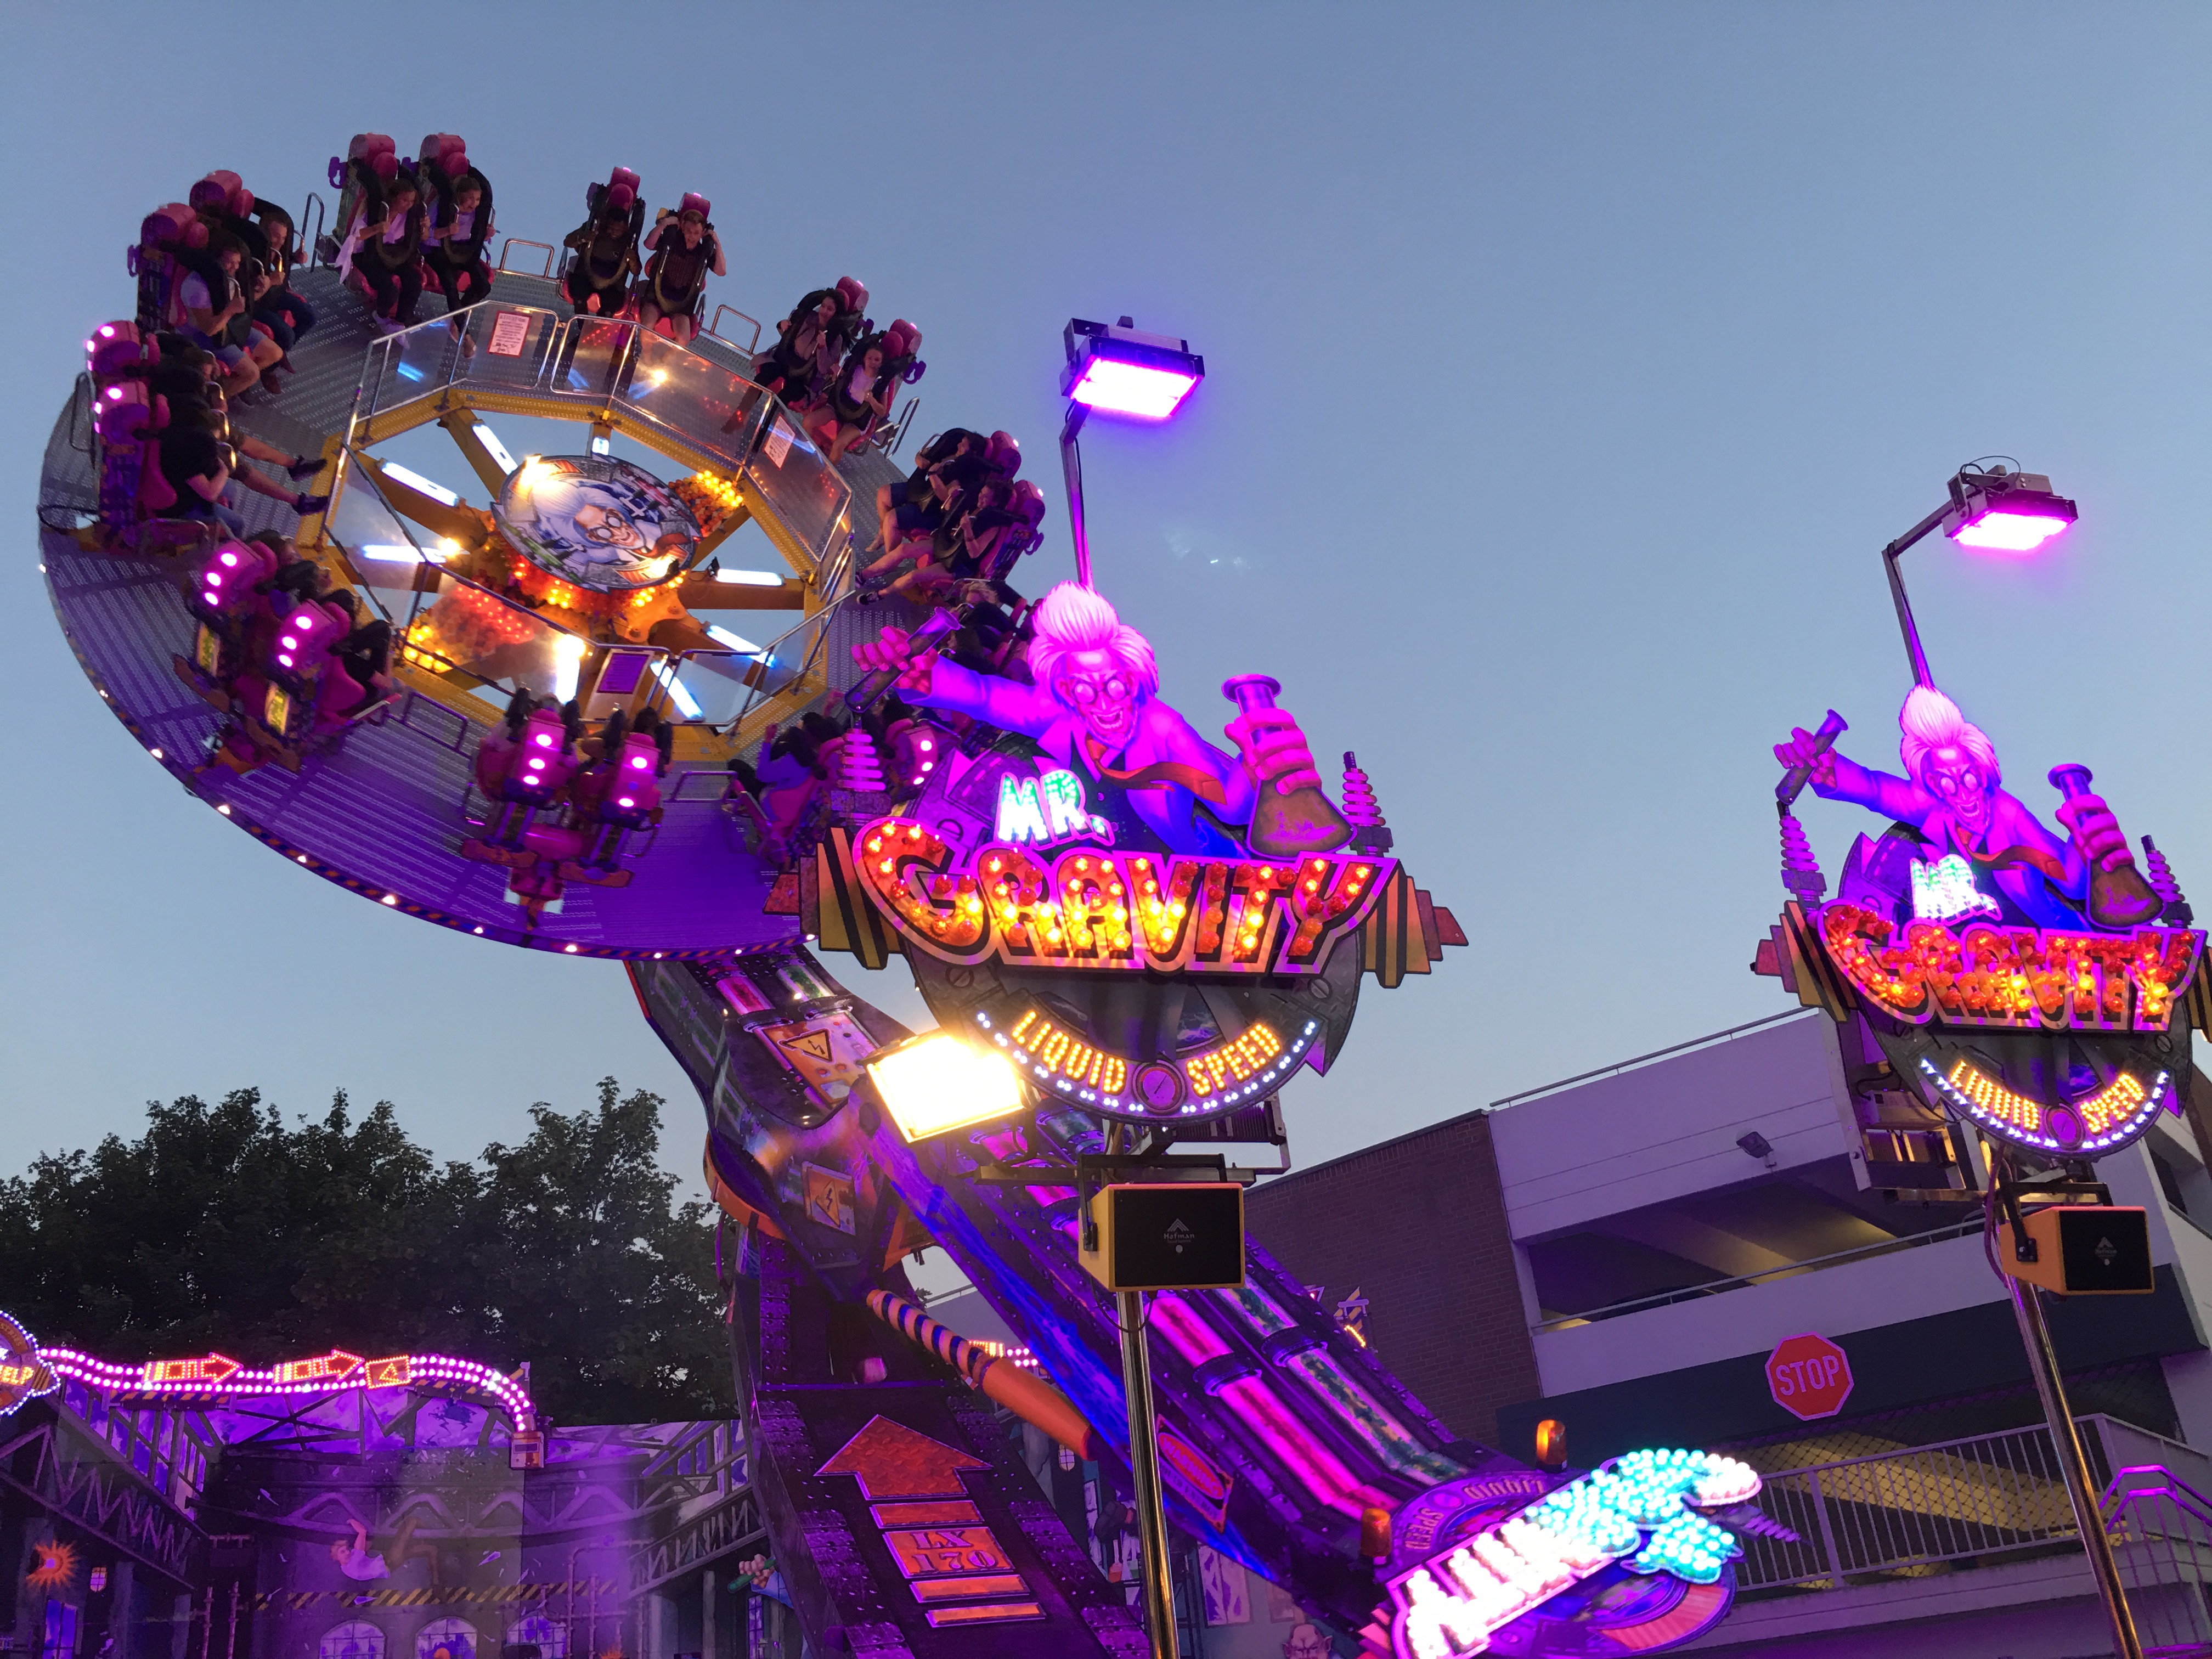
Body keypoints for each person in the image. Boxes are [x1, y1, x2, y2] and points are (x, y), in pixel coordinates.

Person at [852, 582, 1323, 854]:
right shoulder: (1059, 714)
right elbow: (985, 695)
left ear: (1135, 678)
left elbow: (1232, 806)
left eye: (1115, 685)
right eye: (1084, 688)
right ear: (1065, 689)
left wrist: (1260, 761)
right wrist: (926, 675)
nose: (1102, 701)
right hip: (1090, 893)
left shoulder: (1163, 730)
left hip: (1179, 889)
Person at [1774, 683, 2135, 929]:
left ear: (1983, 771)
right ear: (1934, 785)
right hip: (1972, 960)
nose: (1962, 792)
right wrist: (1829, 769)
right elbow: (1876, 789)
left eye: (1969, 778)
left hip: (2045, 948)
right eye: (1947, 783)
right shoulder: (1934, 809)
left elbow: (2072, 882)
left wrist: (2087, 843)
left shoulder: (2009, 814)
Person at [176, 233, 260, 399]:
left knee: (273, 353)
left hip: (228, 324)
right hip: (201, 336)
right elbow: (208, 330)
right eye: (229, 262)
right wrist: (231, 311)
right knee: (252, 373)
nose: (234, 268)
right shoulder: (197, 288)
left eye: (238, 263)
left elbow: (241, 306)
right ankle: (213, 402)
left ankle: (232, 385)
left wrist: (262, 289)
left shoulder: (229, 277)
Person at [637, 198, 724, 345]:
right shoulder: (671, 241)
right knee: (647, 326)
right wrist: (664, 224)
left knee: (683, 339)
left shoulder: (703, 253)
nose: (692, 236)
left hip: (682, 307)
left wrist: (717, 243)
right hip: (656, 298)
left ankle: (666, 359)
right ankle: (645, 354)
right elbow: (649, 244)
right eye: (689, 231)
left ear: (702, 233)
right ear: (682, 227)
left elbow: (721, 271)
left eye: (696, 233)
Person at [351, 173, 428, 332]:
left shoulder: (409, 216)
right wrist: (377, 228)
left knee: (414, 281)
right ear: (393, 198)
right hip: (368, 256)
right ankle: (381, 316)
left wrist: (425, 227)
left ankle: (399, 323)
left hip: (392, 255)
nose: (408, 205)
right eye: (405, 200)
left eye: (411, 201)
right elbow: (356, 236)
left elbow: (424, 238)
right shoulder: (375, 211)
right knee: (389, 290)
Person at [423, 168, 495, 319]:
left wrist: (486, 233)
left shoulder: (475, 213)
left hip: (463, 251)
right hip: (438, 251)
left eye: (478, 199)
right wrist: (446, 231)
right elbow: (425, 236)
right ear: (460, 195)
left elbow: (475, 233)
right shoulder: (441, 206)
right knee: (451, 286)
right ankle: (461, 326)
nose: (474, 204)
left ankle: (455, 316)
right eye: (470, 198)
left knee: (483, 286)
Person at [808, 340, 893, 464]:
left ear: (881, 363)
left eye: (877, 360)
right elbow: (838, 382)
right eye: (870, 358)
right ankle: (809, 452)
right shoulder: (856, 369)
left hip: (858, 419)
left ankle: (826, 472)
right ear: (864, 359)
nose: (873, 362)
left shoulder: (881, 383)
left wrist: (872, 400)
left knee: (839, 444)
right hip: (841, 407)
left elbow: (883, 412)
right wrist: (837, 375)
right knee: (809, 422)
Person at [562, 197, 639, 318]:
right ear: (606, 223)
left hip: (612, 283)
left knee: (611, 305)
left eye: (619, 230)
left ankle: (594, 328)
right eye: (612, 228)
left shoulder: (630, 242)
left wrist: (633, 260)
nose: (614, 232)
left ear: (625, 229)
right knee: (579, 294)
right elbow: (567, 242)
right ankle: (582, 325)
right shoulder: (593, 228)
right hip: (586, 275)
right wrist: (583, 238)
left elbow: (636, 271)